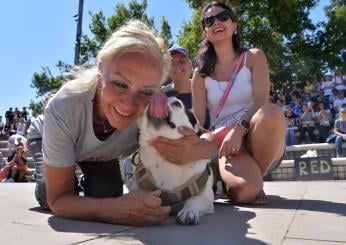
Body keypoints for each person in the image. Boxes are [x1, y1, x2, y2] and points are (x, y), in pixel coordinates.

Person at [42, 21, 216, 226]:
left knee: (105, 193)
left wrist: (200, 148)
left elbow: (209, 139)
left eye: (146, 91)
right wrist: (114, 210)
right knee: (47, 195)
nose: (129, 103)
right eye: (119, 84)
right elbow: (58, 200)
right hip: (51, 136)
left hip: (102, 155)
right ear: (100, 69)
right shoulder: (64, 107)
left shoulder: (154, 114)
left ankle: (86, 180)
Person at [191, 1, 286, 204]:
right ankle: (238, 182)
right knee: (245, 193)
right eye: (209, 20)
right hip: (225, 142)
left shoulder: (254, 56)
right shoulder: (199, 75)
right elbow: (197, 121)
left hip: (257, 134)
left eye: (223, 16)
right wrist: (208, 142)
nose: (216, 22)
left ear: (235, 25)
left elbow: (261, 100)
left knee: (272, 112)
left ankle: (250, 177)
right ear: (205, 32)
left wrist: (240, 129)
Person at [164, 46, 210, 129]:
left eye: (182, 61)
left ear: (190, 65)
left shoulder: (207, 89)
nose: (177, 66)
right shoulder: (161, 95)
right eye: (171, 62)